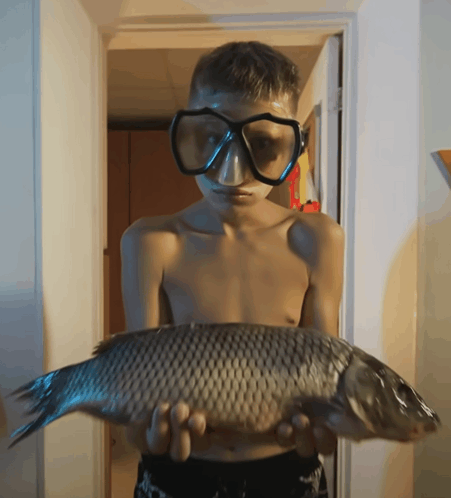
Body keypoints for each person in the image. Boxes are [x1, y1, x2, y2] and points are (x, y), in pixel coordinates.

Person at [120, 41, 344, 498]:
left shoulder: (316, 238)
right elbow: (136, 398)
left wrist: (325, 427)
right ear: (187, 134)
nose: (231, 172)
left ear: (291, 145)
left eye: (262, 144)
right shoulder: (151, 243)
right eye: (210, 138)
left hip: (286, 475)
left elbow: (326, 380)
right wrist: (150, 432)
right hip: (176, 477)